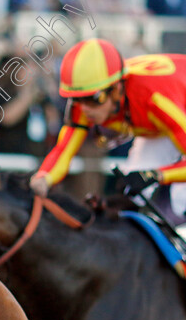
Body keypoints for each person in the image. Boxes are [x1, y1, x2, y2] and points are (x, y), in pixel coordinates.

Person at [30, 38, 186, 213]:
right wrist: (42, 179)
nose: (85, 109)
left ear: (117, 89)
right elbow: (63, 150)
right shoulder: (86, 104)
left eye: (94, 99)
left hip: (175, 111)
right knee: (132, 192)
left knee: (182, 199)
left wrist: (157, 175)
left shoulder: (156, 101)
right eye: (77, 99)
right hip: (162, 125)